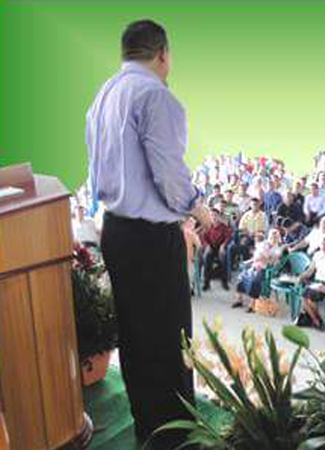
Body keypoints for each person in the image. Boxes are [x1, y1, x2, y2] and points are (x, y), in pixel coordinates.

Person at [87, 20, 211, 449]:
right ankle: (176, 439)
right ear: (162, 54)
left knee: (136, 339)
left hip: (117, 231)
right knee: (170, 341)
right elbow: (170, 177)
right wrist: (199, 208)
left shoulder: (104, 95)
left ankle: (147, 431)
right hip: (151, 239)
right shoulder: (156, 96)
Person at [298, 237, 325, 329]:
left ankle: (315, 320)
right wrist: (301, 276)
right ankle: (316, 319)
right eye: (322, 245)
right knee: (303, 297)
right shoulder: (317, 255)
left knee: (310, 297)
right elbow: (310, 271)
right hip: (316, 283)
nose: (323, 247)